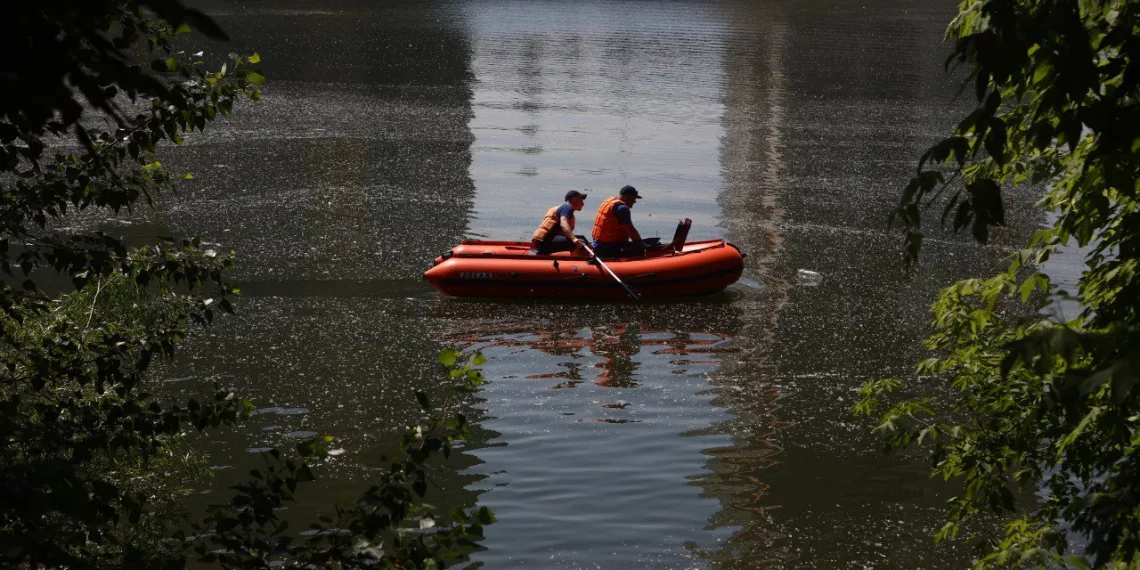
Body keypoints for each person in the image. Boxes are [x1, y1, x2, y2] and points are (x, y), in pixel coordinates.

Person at [590, 185, 646, 258]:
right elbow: (631, 231)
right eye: (634, 198)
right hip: (608, 248)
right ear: (627, 197)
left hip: (597, 245)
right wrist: (641, 245)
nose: (635, 201)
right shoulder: (622, 209)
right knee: (640, 250)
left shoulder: (609, 203)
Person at [531, 190, 588, 254]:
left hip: (542, 242)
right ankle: (584, 260)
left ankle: (579, 257)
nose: (583, 204)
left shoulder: (564, 208)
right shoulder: (567, 207)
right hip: (544, 243)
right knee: (580, 241)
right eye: (581, 200)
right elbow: (563, 223)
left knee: (580, 239)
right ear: (574, 199)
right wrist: (574, 239)